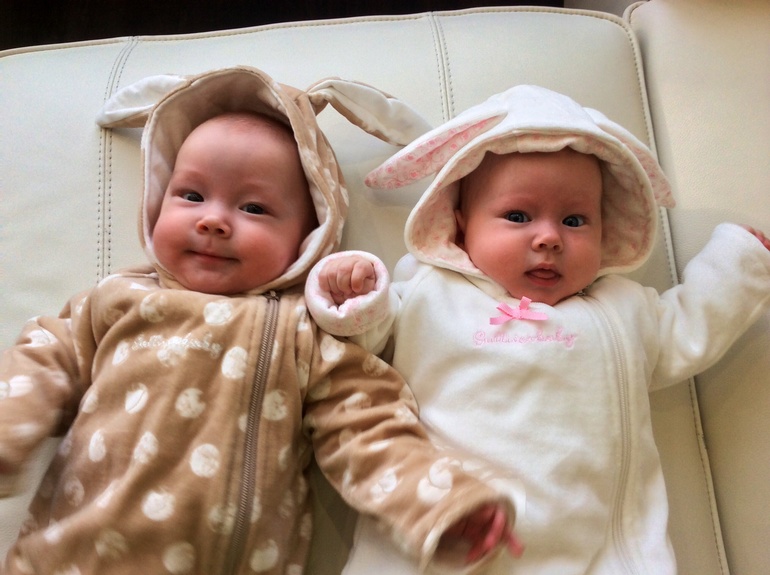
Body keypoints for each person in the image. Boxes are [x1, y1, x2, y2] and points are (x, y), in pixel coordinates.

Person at [0, 66, 520, 575]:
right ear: (157, 200)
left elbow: (367, 428)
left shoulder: (304, 336)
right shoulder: (115, 300)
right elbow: (44, 357)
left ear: (309, 238)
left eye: (253, 208)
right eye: (191, 195)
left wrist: (439, 502)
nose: (213, 220)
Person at [306, 84, 770, 574]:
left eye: (575, 220)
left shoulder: (622, 309)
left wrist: (738, 266)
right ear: (460, 225)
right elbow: (363, 342)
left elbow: (687, 331)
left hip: (599, 553)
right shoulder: (429, 291)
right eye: (518, 216)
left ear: (606, 230)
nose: (549, 238)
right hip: (447, 532)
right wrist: (351, 292)